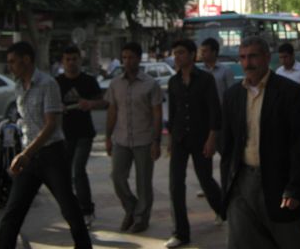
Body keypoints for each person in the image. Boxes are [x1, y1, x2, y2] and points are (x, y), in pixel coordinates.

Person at [0, 41, 91, 249]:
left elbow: (51, 124)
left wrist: (26, 154)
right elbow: (25, 121)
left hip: (51, 154)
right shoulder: (19, 86)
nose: (10, 66)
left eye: (13, 61)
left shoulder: (47, 84)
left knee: (69, 208)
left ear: (26, 60)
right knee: (13, 212)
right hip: (29, 157)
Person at [221, 36, 300, 249]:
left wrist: (295, 188)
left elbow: (299, 145)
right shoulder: (233, 95)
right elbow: (228, 144)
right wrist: (229, 185)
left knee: (290, 240)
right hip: (242, 183)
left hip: (279, 182)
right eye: (242, 57)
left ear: (267, 58)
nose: (247, 63)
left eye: (253, 56)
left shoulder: (290, 92)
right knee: (242, 242)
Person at [165, 39, 223, 248]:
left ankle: (222, 210)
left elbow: (214, 110)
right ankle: (181, 232)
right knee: (175, 185)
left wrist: (212, 138)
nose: (177, 57)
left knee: (205, 179)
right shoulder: (173, 82)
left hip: (201, 138)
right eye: (175, 53)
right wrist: (170, 139)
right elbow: (172, 113)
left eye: (181, 52)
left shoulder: (206, 79)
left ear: (192, 55)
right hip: (180, 138)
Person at [105, 42, 162, 233]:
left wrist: (156, 141)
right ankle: (131, 207)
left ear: (138, 59)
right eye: (124, 57)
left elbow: (157, 114)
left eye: (131, 57)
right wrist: (107, 137)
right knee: (117, 177)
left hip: (144, 139)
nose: (127, 61)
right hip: (121, 139)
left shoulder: (150, 84)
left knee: (143, 182)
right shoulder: (115, 84)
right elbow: (112, 111)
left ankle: (141, 219)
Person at [56, 45, 108, 227]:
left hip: (84, 133)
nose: (71, 63)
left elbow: (103, 102)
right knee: (65, 174)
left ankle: (87, 210)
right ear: (62, 62)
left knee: (78, 170)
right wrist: (58, 108)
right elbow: (48, 105)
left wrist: (90, 104)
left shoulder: (88, 81)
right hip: (63, 135)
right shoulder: (56, 82)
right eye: (67, 59)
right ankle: (72, 210)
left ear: (80, 60)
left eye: (74, 59)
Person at [199, 37, 235, 106]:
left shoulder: (226, 71)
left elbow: (232, 94)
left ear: (214, 52)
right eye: (202, 51)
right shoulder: (200, 71)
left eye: (205, 51)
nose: (202, 54)